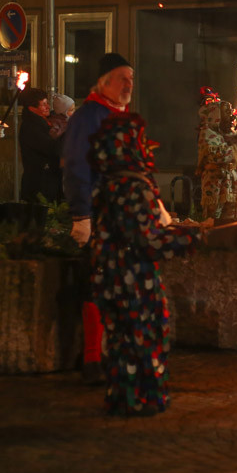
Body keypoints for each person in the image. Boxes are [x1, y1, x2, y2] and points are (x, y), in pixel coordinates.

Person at [89, 112, 206, 415]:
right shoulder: (134, 187)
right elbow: (148, 239)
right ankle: (140, 398)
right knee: (142, 333)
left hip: (110, 273)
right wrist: (188, 239)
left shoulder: (109, 184)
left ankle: (123, 396)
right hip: (133, 274)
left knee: (121, 337)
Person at [62, 52, 135, 384]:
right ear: (104, 82)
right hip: (100, 214)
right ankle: (93, 358)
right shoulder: (88, 117)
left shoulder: (123, 116)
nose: (129, 85)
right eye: (122, 78)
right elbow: (78, 166)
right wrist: (81, 215)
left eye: (131, 79)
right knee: (97, 286)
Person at [196, 87, 237, 221]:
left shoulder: (233, 134)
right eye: (227, 112)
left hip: (232, 182)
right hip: (215, 182)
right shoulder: (208, 132)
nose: (231, 115)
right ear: (217, 116)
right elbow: (215, 155)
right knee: (213, 218)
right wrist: (234, 147)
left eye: (230, 111)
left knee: (231, 218)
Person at [19, 87, 63, 204]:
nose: (48, 107)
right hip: (39, 184)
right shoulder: (31, 127)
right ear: (32, 108)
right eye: (43, 104)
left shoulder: (45, 122)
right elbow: (52, 147)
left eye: (47, 103)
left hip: (49, 181)